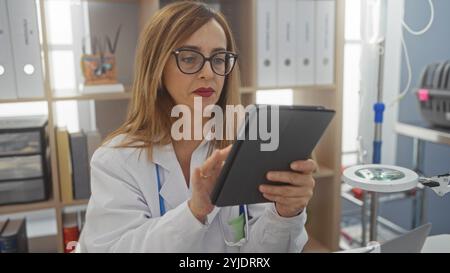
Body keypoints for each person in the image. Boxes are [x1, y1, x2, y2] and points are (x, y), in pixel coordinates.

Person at [77, 1, 317, 253]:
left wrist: (285, 213)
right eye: (190, 58)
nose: (208, 73)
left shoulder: (251, 141)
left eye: (219, 59)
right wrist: (194, 212)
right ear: (157, 66)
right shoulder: (115, 159)